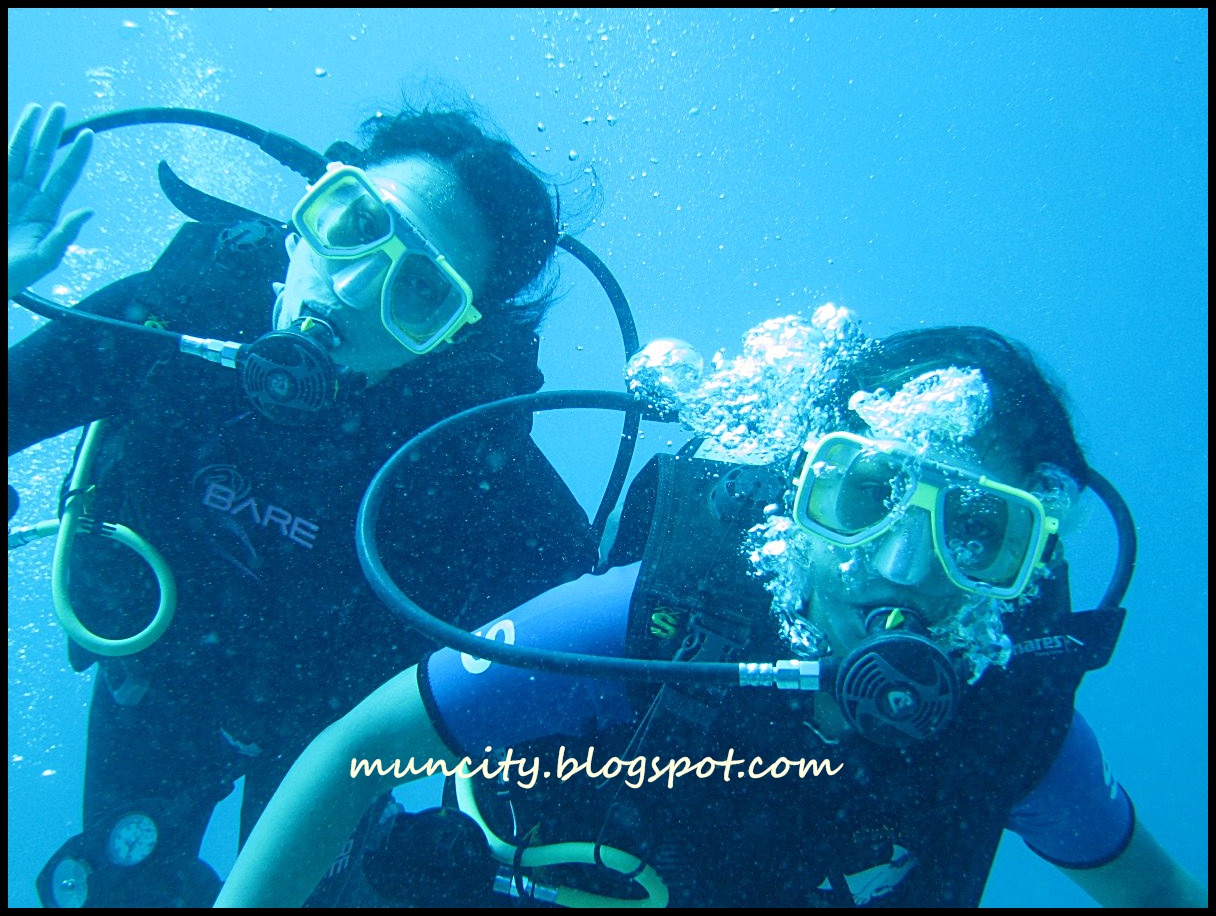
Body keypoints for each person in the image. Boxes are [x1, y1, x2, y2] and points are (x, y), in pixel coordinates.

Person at [213, 311, 1207, 907]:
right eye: (865, 494)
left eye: (976, 530)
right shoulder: (647, 625)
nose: (903, 566)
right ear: (796, 495)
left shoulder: (1011, 730)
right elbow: (355, 756)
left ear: (1025, 566)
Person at [8, 98, 601, 907]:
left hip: (326, 744)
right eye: (354, 223)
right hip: (154, 689)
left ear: (452, 338)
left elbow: (606, 664)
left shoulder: (468, 477)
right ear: (305, 212)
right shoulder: (166, 322)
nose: (354, 285)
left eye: (419, 291)